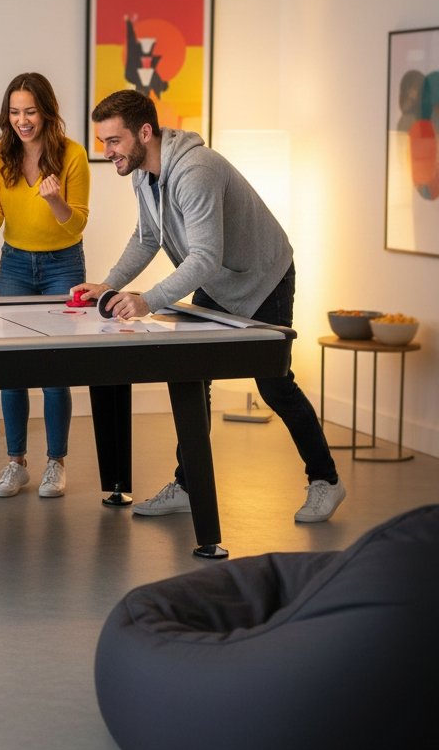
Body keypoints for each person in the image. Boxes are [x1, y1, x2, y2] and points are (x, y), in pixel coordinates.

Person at [74, 88, 345, 523]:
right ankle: (188, 484)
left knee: (274, 385)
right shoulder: (144, 173)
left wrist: (147, 300)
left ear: (144, 132)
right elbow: (148, 237)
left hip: (263, 278)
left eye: (113, 141)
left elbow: (203, 257)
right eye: (103, 141)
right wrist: (108, 284)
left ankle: (326, 481)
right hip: (217, 281)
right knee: (192, 376)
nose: (107, 152)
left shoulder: (194, 171)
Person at [0, 72, 89, 499]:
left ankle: (56, 463)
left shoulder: (73, 155)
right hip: (14, 264)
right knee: (12, 368)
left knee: (55, 370)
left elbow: (78, 223)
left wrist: (54, 199)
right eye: (15, 112)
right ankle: (16, 463)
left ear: (47, 112)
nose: (22, 120)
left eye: (30, 111)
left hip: (62, 266)